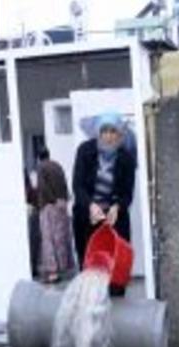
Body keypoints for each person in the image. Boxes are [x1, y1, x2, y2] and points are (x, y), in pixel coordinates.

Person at [71, 112, 136, 296]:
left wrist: (117, 207)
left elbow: (127, 194)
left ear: (120, 135)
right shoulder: (85, 151)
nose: (108, 136)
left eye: (113, 131)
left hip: (113, 217)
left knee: (116, 268)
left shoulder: (126, 158)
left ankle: (117, 306)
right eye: (104, 131)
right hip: (87, 214)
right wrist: (91, 206)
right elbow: (78, 186)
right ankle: (89, 307)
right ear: (98, 133)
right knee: (90, 268)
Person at [36, 148, 75, 283]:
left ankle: (53, 273)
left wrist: (52, 200)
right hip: (61, 205)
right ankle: (63, 267)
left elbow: (42, 187)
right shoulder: (58, 165)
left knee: (48, 239)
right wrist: (62, 200)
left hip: (48, 206)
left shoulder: (41, 167)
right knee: (61, 237)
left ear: (38, 157)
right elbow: (64, 185)